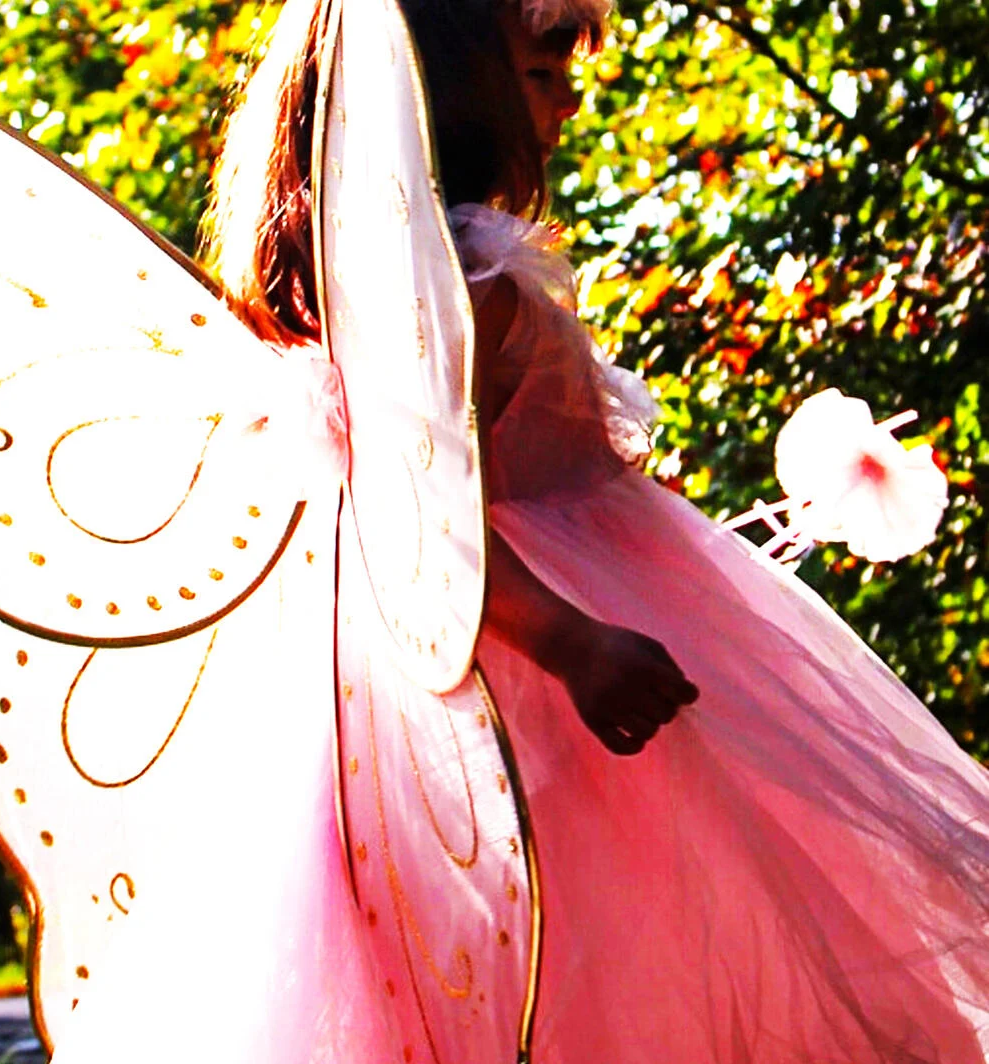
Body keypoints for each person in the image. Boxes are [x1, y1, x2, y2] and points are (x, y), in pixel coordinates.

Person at [201, 0, 989, 1059]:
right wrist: (575, 640)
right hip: (539, 676)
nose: (571, 97)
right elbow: (419, 513)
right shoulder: (464, 285)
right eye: (541, 70)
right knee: (628, 953)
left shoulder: (410, 282)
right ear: (443, 85)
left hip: (492, 658)